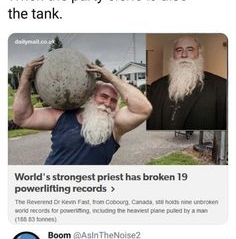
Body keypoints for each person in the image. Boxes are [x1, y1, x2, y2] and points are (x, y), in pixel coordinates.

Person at [13, 56, 152, 165]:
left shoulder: (115, 125)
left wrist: (111, 78)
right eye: (103, 96)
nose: (108, 103)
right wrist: (25, 79)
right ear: (90, 96)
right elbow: (23, 118)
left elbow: (144, 109)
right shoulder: (63, 115)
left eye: (114, 100)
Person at [147, 36, 227, 130]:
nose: (184, 55)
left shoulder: (221, 87)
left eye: (190, 50)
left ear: (199, 53)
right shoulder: (156, 87)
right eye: (179, 50)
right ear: (173, 55)